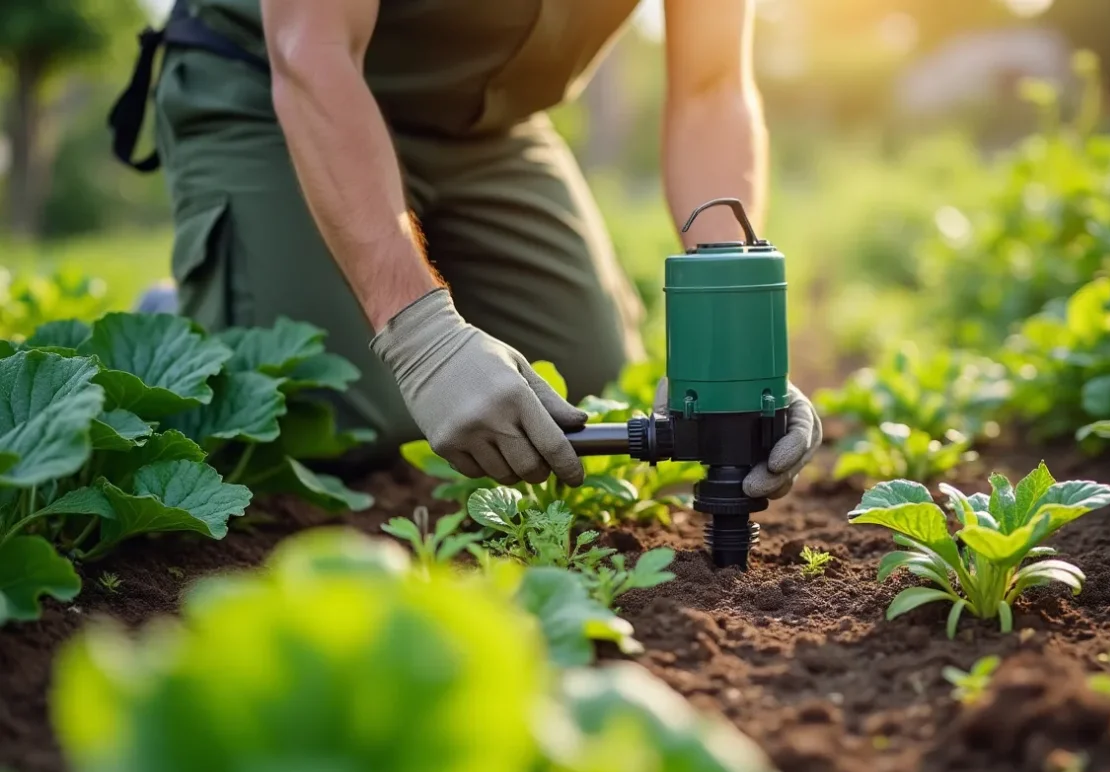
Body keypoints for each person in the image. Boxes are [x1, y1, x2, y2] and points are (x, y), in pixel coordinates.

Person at [112, 0, 822, 498]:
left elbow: (710, 86)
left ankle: (379, 290)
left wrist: (734, 346)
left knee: (581, 384)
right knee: (321, 414)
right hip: (273, 89)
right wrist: (422, 336)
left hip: (487, 127)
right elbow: (312, 50)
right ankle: (191, 316)